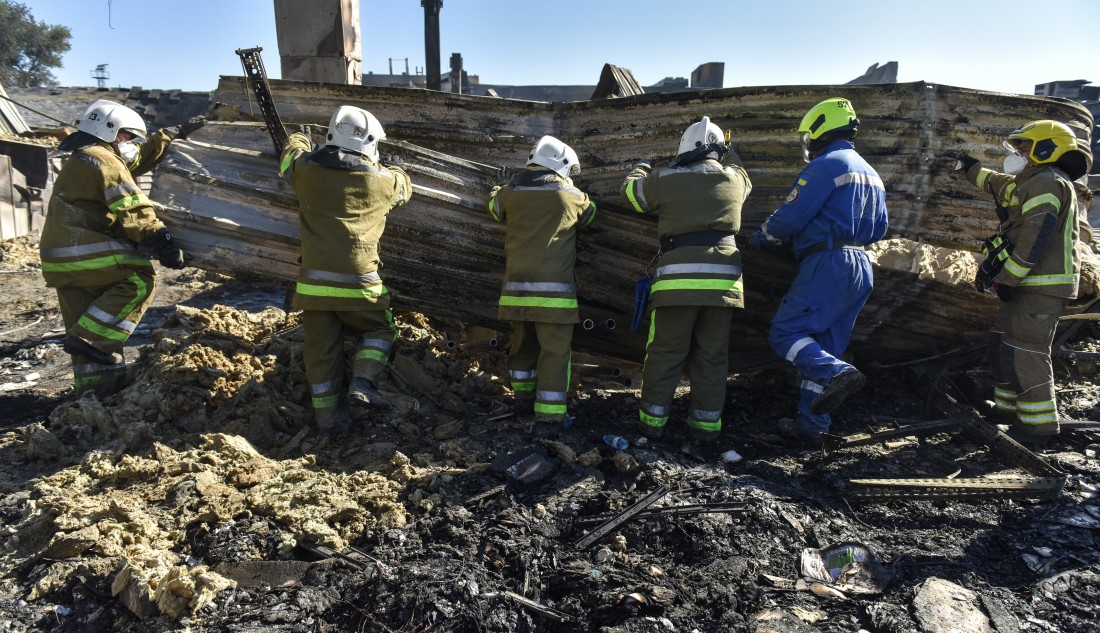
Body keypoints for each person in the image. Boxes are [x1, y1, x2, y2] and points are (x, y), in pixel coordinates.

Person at [40, 99, 204, 397]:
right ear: (111, 131)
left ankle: (95, 394)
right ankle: (87, 341)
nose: (130, 144)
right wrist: (164, 243)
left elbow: (136, 161)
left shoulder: (86, 157)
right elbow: (132, 207)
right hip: (85, 252)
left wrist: (170, 135)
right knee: (139, 281)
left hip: (60, 260)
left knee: (92, 321)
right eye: (128, 137)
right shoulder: (103, 160)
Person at [751, 98, 888, 441]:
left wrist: (762, 238)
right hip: (860, 265)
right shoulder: (872, 173)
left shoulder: (827, 165)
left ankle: (838, 373)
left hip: (827, 262)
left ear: (820, 129)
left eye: (808, 135)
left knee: (785, 332)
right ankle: (812, 427)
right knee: (826, 343)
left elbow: (790, 217)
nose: (807, 142)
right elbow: (880, 228)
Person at [279, 106, 412, 434]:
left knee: (321, 352)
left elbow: (288, 158)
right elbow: (405, 189)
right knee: (380, 331)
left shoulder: (305, 170)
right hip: (361, 285)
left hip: (314, 288)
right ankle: (363, 382)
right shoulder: (382, 181)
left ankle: (329, 422)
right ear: (369, 144)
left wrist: (300, 136)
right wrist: (399, 168)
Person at [620, 116, 751, 442]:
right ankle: (705, 431)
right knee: (712, 356)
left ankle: (652, 427)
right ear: (718, 151)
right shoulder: (735, 181)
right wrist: (732, 153)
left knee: (665, 352)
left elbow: (632, 195)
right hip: (724, 287)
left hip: (677, 284)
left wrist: (641, 167)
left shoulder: (667, 178)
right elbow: (745, 177)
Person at [956, 120, 1085, 447]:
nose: (1017, 153)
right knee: (1004, 344)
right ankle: (1006, 410)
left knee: (1026, 351)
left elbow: (1035, 236)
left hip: (1041, 286)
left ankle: (1037, 429)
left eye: (1024, 147)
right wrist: (970, 169)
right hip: (1028, 284)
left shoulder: (1046, 183)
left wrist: (1009, 278)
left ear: (1046, 148)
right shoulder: (1030, 181)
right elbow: (998, 183)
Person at [487, 136, 596, 436]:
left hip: (517, 292)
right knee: (555, 353)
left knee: (522, 347)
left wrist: (499, 187)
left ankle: (522, 402)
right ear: (562, 166)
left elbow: (494, 206)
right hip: (554, 298)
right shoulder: (571, 195)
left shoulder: (511, 193)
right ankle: (549, 419)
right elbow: (591, 216)